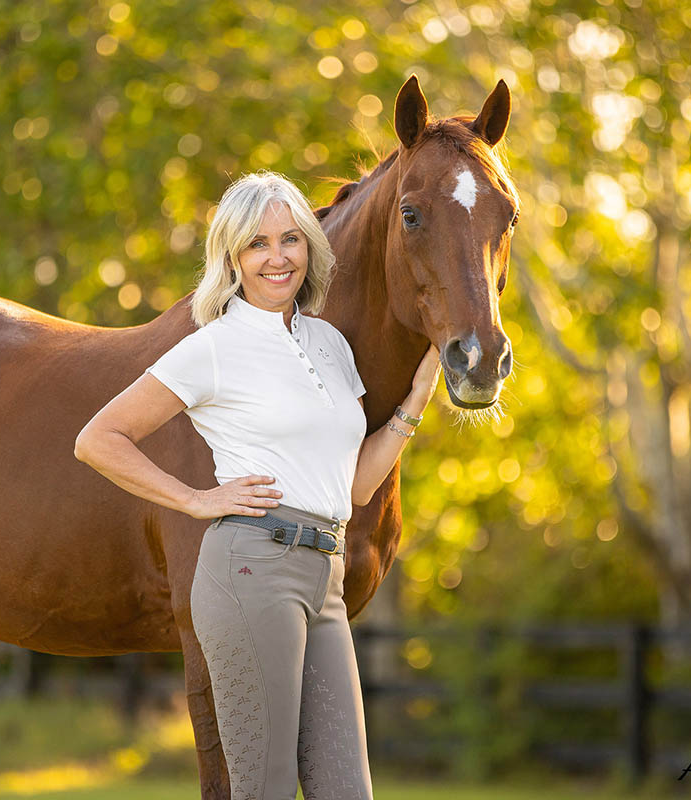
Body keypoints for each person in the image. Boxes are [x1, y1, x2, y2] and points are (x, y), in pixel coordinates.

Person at [74, 171, 440, 799]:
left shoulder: (328, 344)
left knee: (347, 793)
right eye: (257, 243)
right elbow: (98, 439)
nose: (277, 257)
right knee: (263, 790)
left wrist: (414, 404)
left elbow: (352, 487)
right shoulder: (212, 345)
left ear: (310, 248)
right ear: (232, 256)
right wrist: (194, 499)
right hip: (251, 571)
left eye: (290, 240)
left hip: (323, 579)